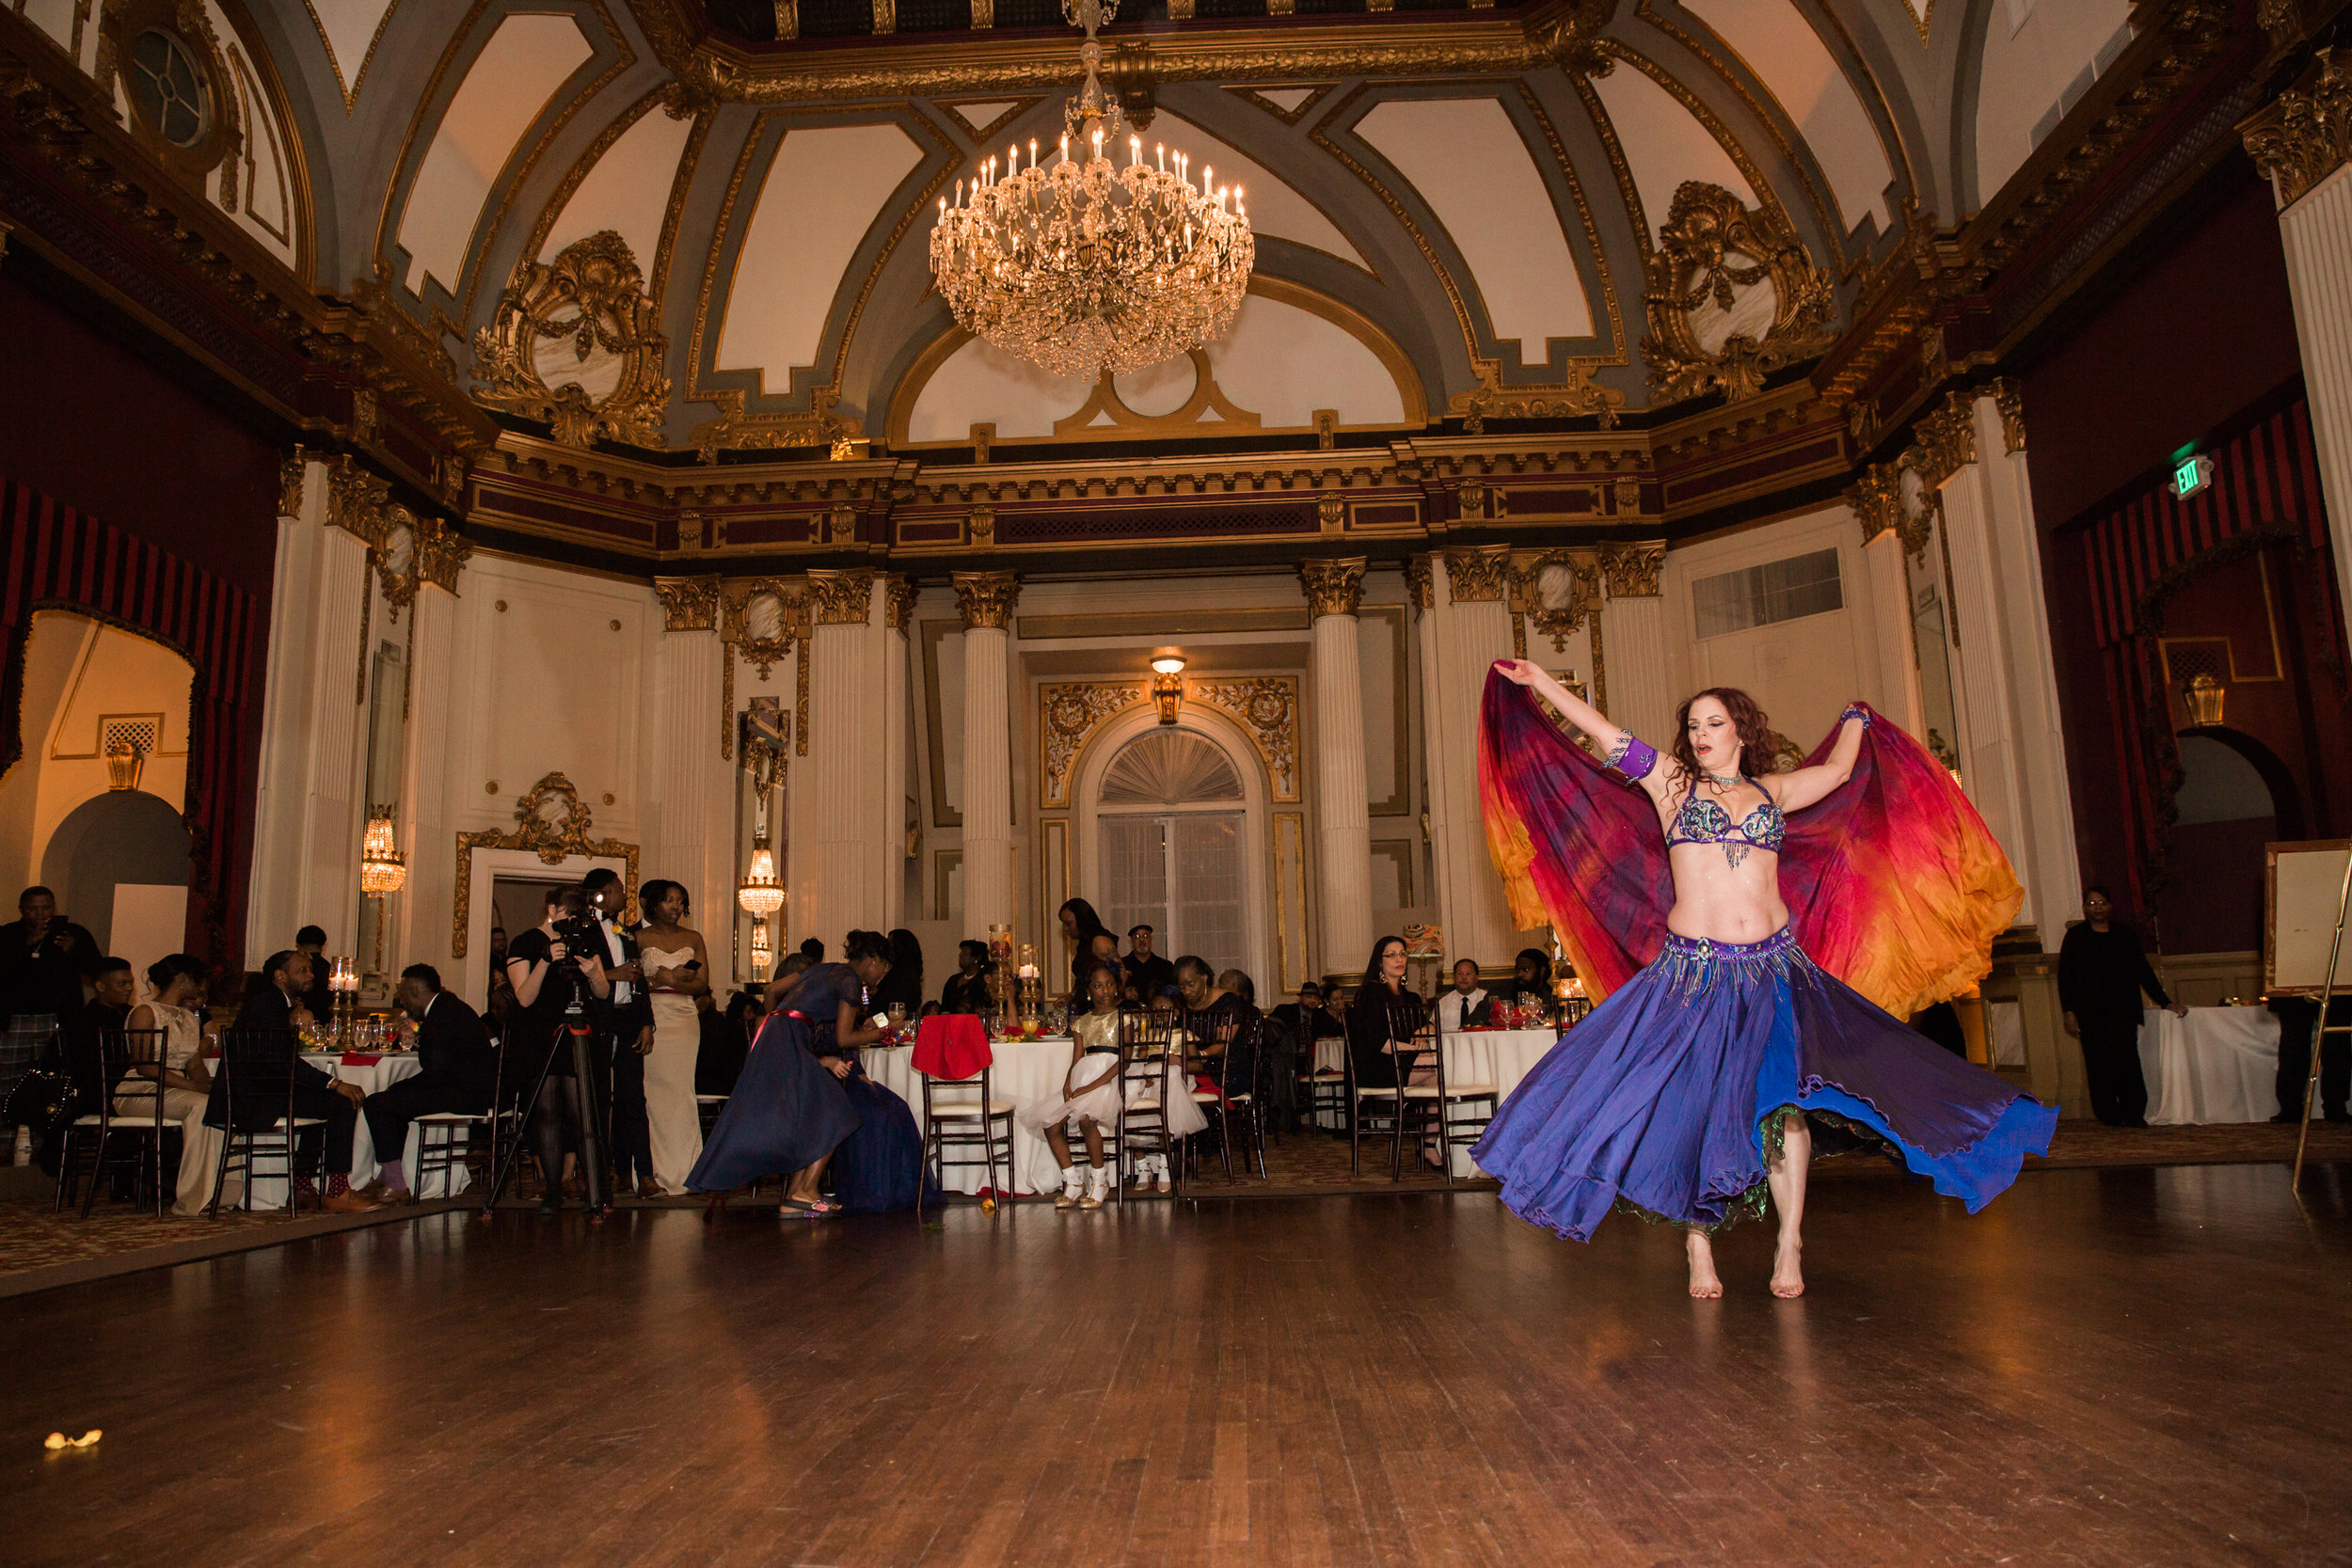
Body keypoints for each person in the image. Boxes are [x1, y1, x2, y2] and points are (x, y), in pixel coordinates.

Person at [1473, 661, 2056, 1298]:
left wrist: (1858, 718)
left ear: (1739, 732)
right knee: (1687, 1110)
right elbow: (1606, 735)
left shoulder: (1772, 792)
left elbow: (1836, 773)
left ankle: (1790, 1239)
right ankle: (1699, 1250)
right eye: (1692, 724)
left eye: (1714, 723)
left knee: (1788, 1107)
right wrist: (1542, 685)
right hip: (1693, 974)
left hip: (1776, 971)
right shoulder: (1670, 785)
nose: (1700, 734)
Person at [689, 930, 924, 1215]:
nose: (883, 975)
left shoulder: (822, 969)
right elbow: (843, 1040)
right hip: (789, 1037)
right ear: (872, 959)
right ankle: (805, 1190)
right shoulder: (850, 981)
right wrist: (887, 1031)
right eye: (884, 967)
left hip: (775, 1034)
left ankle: (794, 1197)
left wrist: (779, 1022)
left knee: (812, 1113)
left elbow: (771, 990)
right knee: (840, 1113)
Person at [197, 948, 377, 1213]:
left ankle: (303, 1187)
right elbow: (280, 1060)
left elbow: (278, 1060)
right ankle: (337, 1190)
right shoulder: (269, 1004)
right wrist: (334, 1083)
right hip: (253, 1099)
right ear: (280, 976)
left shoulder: (271, 1002)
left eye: (310, 970)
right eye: (302, 970)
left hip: (259, 1091)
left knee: (324, 1102)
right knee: (341, 1103)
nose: (311, 975)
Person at [506, 886, 613, 1213]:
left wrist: (595, 973)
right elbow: (524, 998)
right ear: (552, 909)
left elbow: (603, 991)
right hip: (542, 1038)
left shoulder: (586, 940)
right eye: (569, 914)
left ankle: (596, 1191)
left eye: (579, 916)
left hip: (580, 1035)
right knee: (549, 1115)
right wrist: (544, 960)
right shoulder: (526, 942)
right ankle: (552, 1191)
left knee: (583, 1113)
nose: (574, 922)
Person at [358, 965, 496, 1206]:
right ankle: (389, 1176)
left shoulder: (441, 1015)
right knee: (392, 1102)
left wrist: (401, 1087)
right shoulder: (450, 1007)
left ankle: (395, 1183)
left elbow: (435, 1070)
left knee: (377, 1104)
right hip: (469, 1088)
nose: (402, 1002)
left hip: (464, 1094)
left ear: (415, 990)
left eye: (402, 996)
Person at [103, 954, 216, 1217]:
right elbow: (145, 1066)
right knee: (201, 1105)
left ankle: (216, 1190)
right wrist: (191, 1087)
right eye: (197, 980)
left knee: (217, 1103)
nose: (200, 987)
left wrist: (206, 1084)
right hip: (139, 1089)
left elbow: (195, 1065)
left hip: (175, 1090)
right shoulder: (145, 1012)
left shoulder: (190, 1017)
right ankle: (191, 1197)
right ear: (182, 979)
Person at [2057, 888, 2181, 1127]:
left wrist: (2166, 1001)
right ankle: (2109, 1114)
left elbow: (2143, 970)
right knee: (2098, 1064)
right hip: (2090, 1012)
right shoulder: (2076, 936)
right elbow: (2066, 977)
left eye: (2102, 902)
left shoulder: (2125, 934)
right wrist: (2069, 1011)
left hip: (2123, 1009)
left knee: (2128, 1062)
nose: (2097, 907)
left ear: (2110, 906)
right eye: (2092, 903)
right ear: (2084, 908)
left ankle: (2134, 1112)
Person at [1018, 964, 1128, 1209]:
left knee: (1087, 1120)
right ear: (1088, 991)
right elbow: (1077, 1058)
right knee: (1050, 1123)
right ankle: (1072, 1180)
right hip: (1083, 1078)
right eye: (1098, 986)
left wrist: (1093, 1086)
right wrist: (1068, 1082)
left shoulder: (1123, 1018)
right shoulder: (1081, 1022)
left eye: (1110, 984)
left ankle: (1099, 1181)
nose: (1105, 991)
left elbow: (1126, 1059)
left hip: (1110, 1078)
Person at [582, 869, 658, 1197]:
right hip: (598, 1021)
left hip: (629, 1020)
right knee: (598, 1098)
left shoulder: (626, 932)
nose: (624, 896)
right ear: (604, 892)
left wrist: (646, 1023)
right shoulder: (583, 931)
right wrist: (614, 974)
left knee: (634, 1100)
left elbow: (638, 981)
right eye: (618, 890)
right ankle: (600, 1175)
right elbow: (576, 975)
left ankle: (644, 1175)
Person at [635, 879, 709, 1196]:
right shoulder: (637, 936)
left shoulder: (693, 938)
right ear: (653, 904)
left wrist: (676, 982)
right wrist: (658, 979)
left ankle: (688, 1169)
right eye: (668, 900)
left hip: (684, 1018)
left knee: (682, 1092)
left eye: (680, 901)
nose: (675, 907)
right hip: (650, 1017)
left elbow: (703, 985)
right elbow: (631, 984)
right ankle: (651, 1172)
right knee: (652, 1094)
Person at [2, 887, 100, 1113]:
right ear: (21, 910)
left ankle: (46, 1143)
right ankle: (5, 1142)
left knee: (54, 1081)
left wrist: (72, 951)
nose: (40, 914)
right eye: (33, 909)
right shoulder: (8, 934)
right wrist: (26, 944)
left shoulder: (72, 933)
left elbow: (96, 969)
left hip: (59, 1018)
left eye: (46, 907)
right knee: (8, 1081)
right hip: (15, 1019)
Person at [1346, 935, 1424, 1091]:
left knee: (1435, 1073)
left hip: (1404, 1061)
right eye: (1391, 955)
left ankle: (1435, 1114)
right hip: (1378, 1066)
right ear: (1380, 962)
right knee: (1438, 1065)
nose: (1399, 959)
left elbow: (1428, 1025)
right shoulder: (1371, 993)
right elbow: (1377, 1042)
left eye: (1402, 954)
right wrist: (1413, 1048)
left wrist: (1421, 1032)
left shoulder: (1410, 997)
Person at [1058, 898, 1119, 1004]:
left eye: (1068, 924)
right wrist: (1072, 996)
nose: (1065, 929)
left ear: (1081, 920)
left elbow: (1119, 976)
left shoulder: (1100, 942)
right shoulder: (1085, 943)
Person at [870, 928, 925, 1022]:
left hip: (890, 1029)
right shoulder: (897, 973)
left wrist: (877, 1022)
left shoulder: (902, 976)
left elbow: (894, 1010)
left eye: (890, 942)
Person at [1122, 925, 1177, 1005]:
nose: (1142, 940)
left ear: (1150, 939)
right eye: (1137, 936)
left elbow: (1174, 994)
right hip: (1128, 1013)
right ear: (1132, 941)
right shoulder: (1122, 965)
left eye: (1145, 936)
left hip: (1159, 1014)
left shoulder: (1165, 966)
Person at [1438, 959, 1491, 1034]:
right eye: (1459, 974)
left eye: (1468, 974)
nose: (1464, 977)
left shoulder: (1487, 999)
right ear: (1454, 977)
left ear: (1477, 977)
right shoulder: (1443, 1003)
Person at [940, 940, 993, 1014]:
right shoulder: (953, 980)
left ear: (977, 958)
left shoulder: (984, 980)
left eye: (965, 953)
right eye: (961, 952)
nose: (960, 955)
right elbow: (945, 1008)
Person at [294, 924, 333, 1022]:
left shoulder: (292, 967)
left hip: (298, 1019)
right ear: (322, 947)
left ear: (298, 945)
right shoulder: (329, 969)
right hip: (324, 1020)